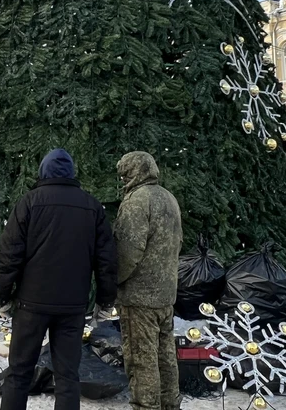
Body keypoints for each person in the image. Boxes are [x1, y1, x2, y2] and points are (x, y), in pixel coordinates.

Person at [0, 149, 118, 410]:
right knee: (68, 377)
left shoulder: (29, 202)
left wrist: (1, 295)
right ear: (72, 173)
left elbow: (9, 254)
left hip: (31, 305)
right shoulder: (91, 206)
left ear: (43, 172)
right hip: (72, 307)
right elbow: (106, 260)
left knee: (19, 374)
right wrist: (105, 302)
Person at [113, 152, 182, 410]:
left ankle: (146, 407)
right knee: (166, 357)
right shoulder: (168, 198)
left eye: (124, 173)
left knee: (142, 360)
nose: (122, 178)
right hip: (165, 293)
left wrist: (114, 281)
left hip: (139, 297)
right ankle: (170, 405)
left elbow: (127, 252)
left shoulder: (136, 201)